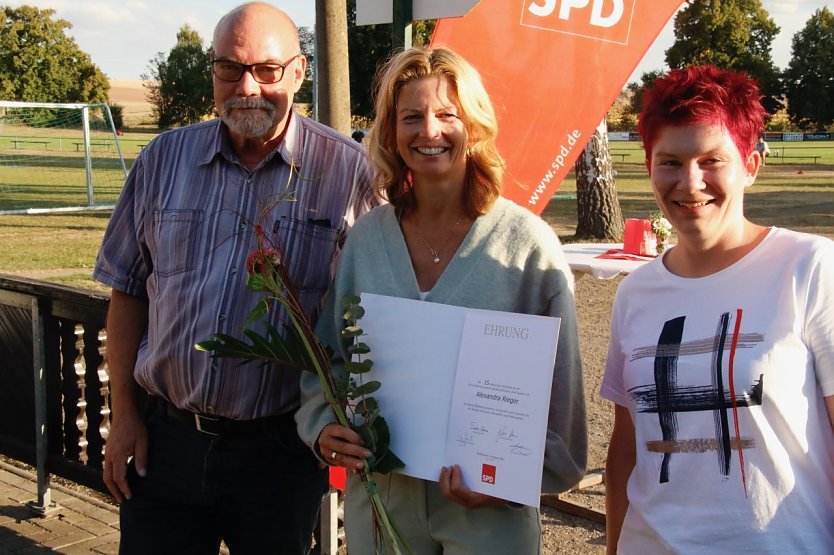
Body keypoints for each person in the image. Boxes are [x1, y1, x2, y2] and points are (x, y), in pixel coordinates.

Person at [93, 3, 377, 553]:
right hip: (165, 443)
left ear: (298, 72)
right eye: (230, 68)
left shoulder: (348, 174)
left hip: (281, 452)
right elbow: (126, 290)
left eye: (267, 70)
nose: (247, 86)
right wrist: (124, 416)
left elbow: (373, 314)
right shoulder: (163, 161)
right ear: (213, 71)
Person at [295, 46, 587, 553]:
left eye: (447, 114)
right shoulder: (366, 240)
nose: (429, 131)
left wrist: (516, 479)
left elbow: (561, 398)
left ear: (473, 125)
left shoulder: (526, 245)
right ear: (390, 132)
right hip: (383, 502)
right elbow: (328, 361)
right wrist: (322, 427)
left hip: (489, 512)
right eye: (411, 116)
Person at [603, 65, 834, 554]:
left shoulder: (809, 267)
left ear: (750, 164)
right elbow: (626, 451)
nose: (690, 183)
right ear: (649, 166)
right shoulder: (636, 292)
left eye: (712, 160)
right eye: (670, 161)